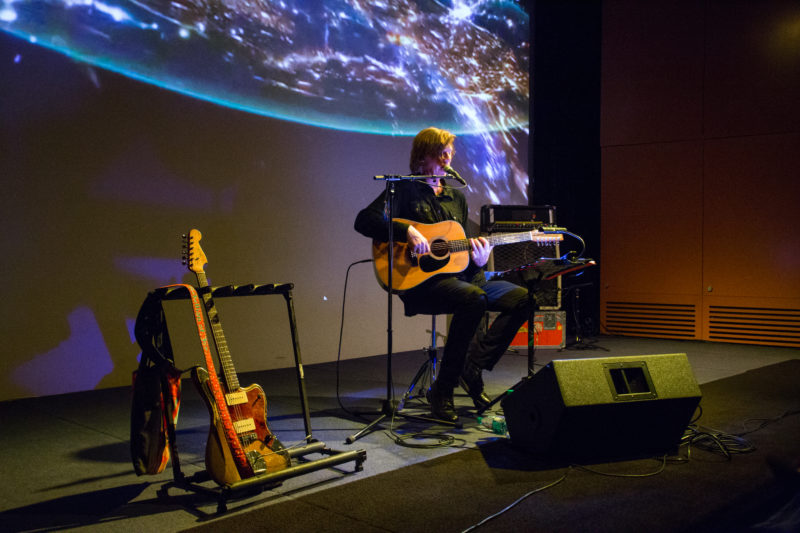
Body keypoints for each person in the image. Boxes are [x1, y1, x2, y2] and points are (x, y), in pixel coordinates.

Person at [354, 126, 533, 422]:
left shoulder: (455, 198)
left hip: (463, 281)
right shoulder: (402, 189)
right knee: (473, 299)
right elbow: (364, 220)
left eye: (450, 150)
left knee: (524, 298)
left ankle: (471, 367)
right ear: (423, 157)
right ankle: (443, 390)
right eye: (442, 151)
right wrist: (407, 230)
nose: (449, 156)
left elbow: (458, 256)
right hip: (422, 285)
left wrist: (479, 259)